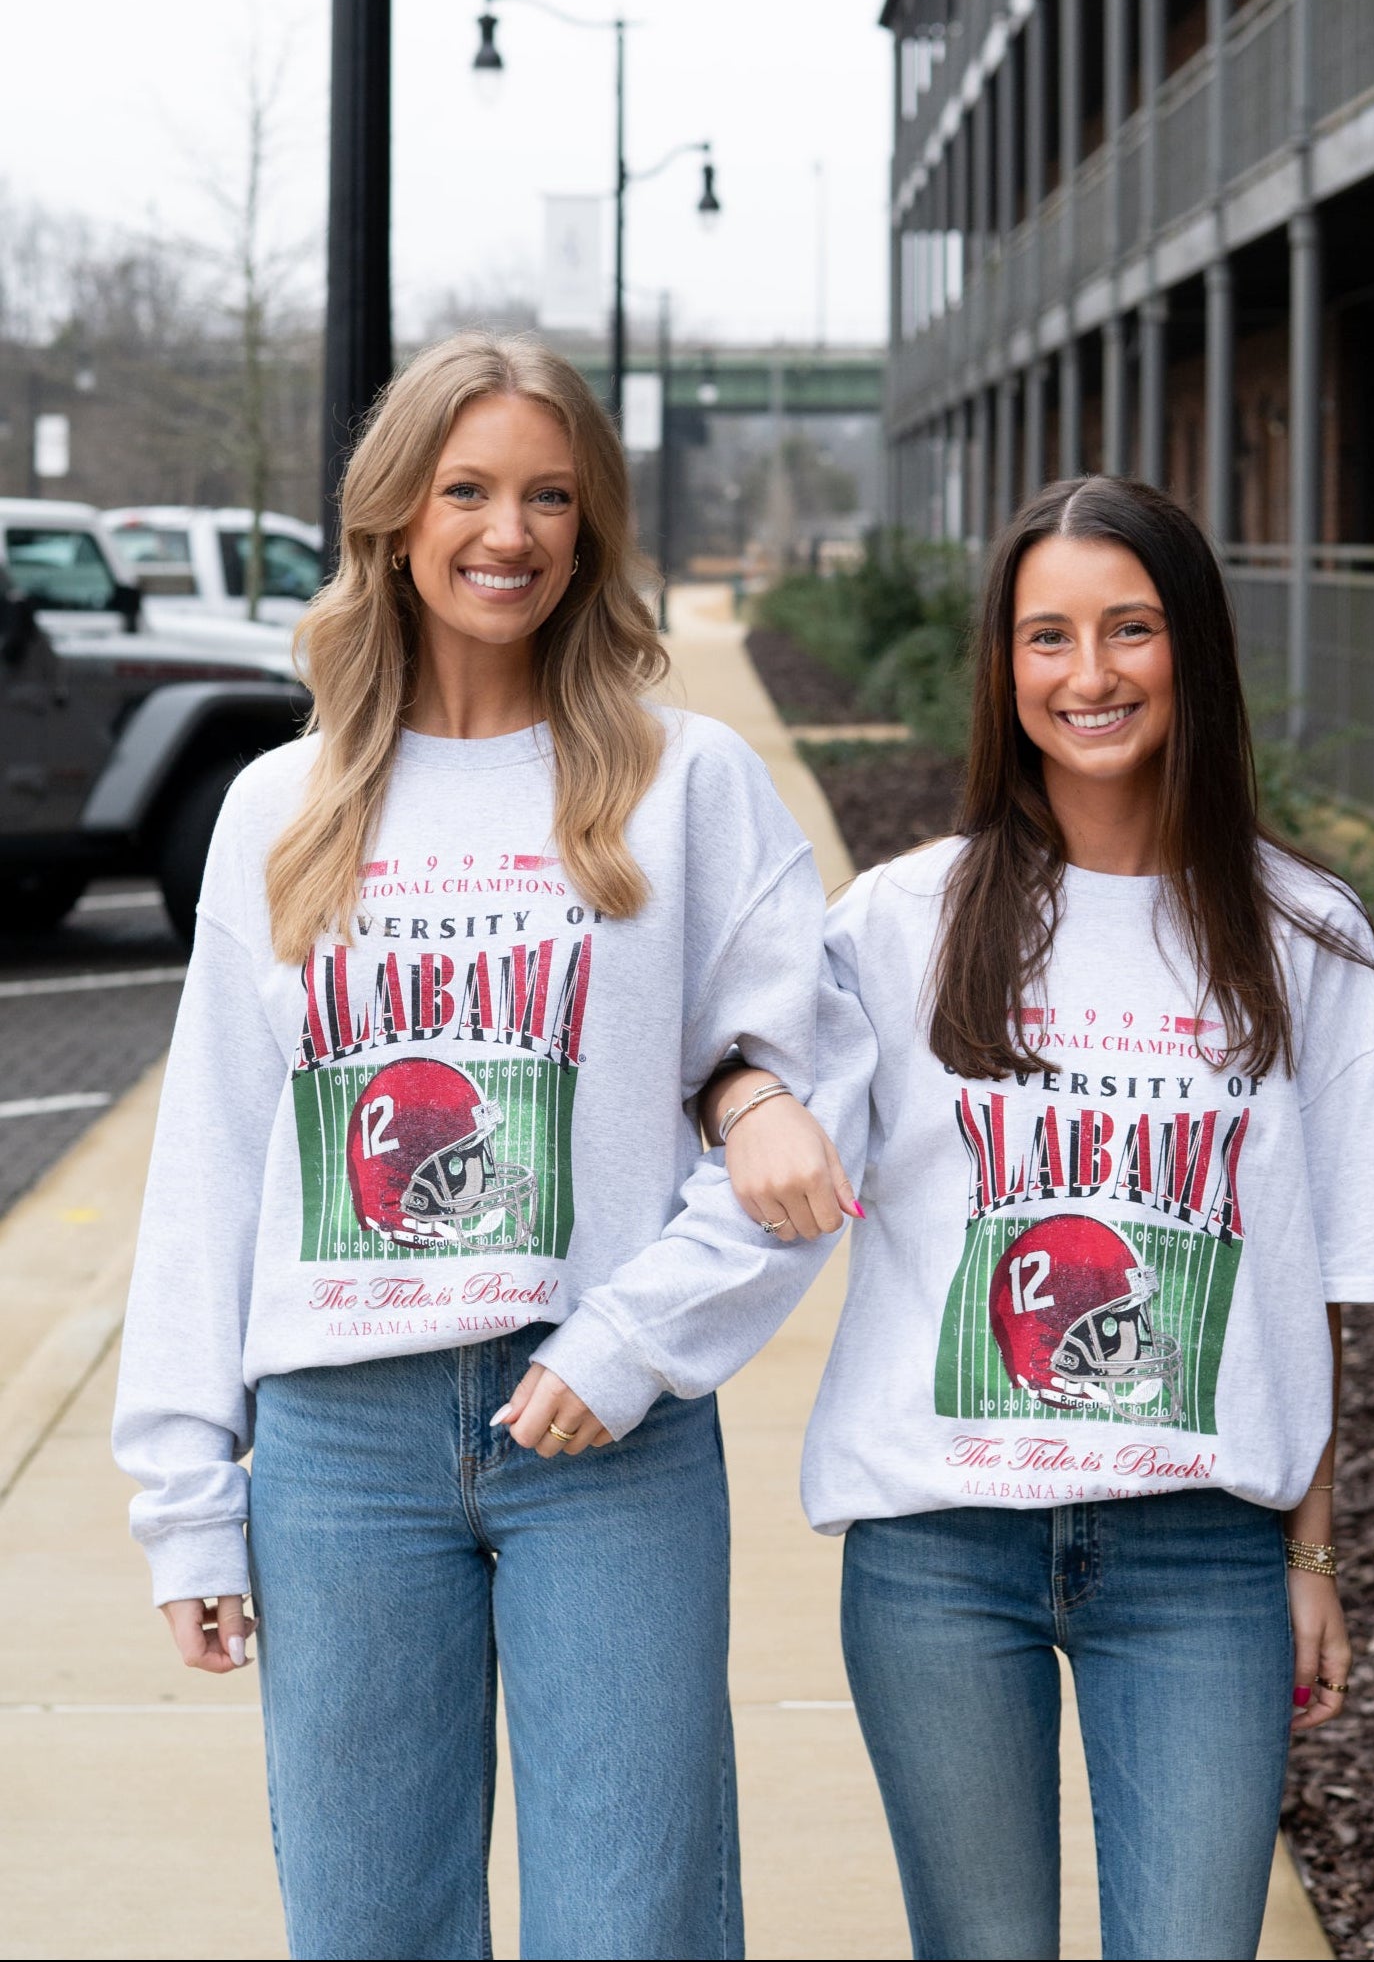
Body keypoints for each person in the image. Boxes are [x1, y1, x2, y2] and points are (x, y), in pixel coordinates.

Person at [113, 332, 854, 1962]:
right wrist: (186, 1493)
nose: (507, 532)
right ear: (394, 517)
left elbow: (806, 1100)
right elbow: (215, 1159)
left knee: (634, 1924)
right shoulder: (283, 807)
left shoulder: (686, 784)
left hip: (606, 1436)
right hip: (339, 1451)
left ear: (591, 529)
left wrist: (632, 1341)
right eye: (466, 490)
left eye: (550, 497)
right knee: (367, 1923)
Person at [706, 476, 1374, 1962]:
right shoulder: (899, 924)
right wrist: (741, 1096)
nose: (1088, 674)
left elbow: (1316, 1285)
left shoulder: (1307, 935)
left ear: (1194, 648)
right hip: (939, 1546)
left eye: (1130, 629)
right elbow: (719, 1065)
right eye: (1048, 635)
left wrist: (1312, 1560)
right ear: (1004, 662)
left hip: (1200, 1558)